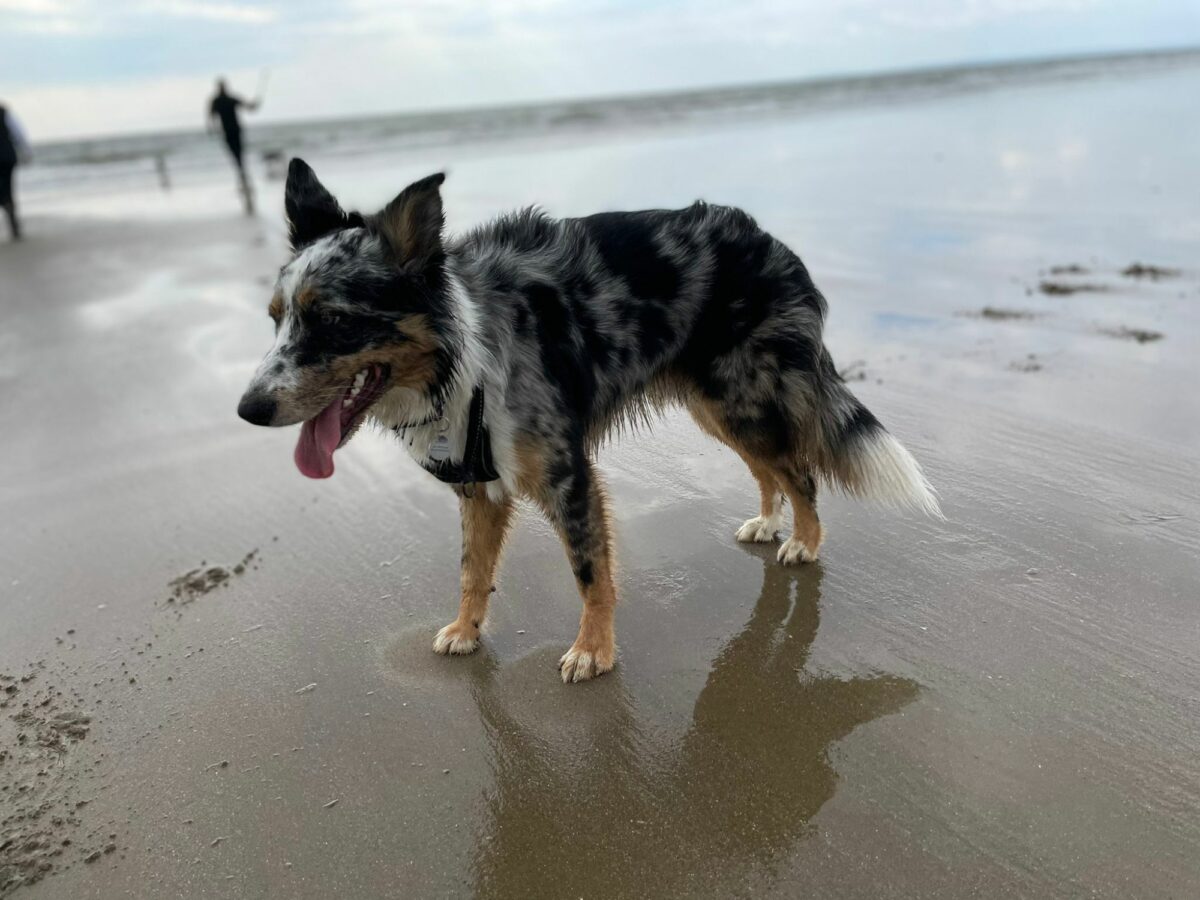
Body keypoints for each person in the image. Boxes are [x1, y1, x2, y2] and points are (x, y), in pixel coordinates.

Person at [207, 78, 260, 211]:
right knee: (238, 154)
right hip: (234, 130)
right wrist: (255, 105)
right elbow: (250, 107)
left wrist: (211, 128)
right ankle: (243, 177)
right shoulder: (225, 100)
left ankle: (243, 177)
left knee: (237, 155)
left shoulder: (220, 100)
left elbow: (211, 116)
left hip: (231, 131)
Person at [0, 103, 31, 242]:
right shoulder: (3, 112)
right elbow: (18, 132)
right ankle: (14, 227)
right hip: (7, 156)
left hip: (6, 157)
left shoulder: (4, 112)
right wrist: (26, 151)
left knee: (6, 191)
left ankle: (14, 225)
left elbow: (17, 132)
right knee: (8, 191)